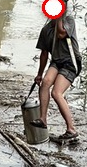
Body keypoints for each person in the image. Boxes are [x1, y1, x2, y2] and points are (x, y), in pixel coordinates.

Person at [32, 7, 82, 143]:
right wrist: (39, 74)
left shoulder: (68, 21)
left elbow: (61, 34)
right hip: (56, 61)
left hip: (70, 62)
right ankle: (42, 119)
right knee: (45, 83)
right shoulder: (46, 30)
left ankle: (71, 129)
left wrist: (60, 16)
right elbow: (44, 54)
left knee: (56, 93)